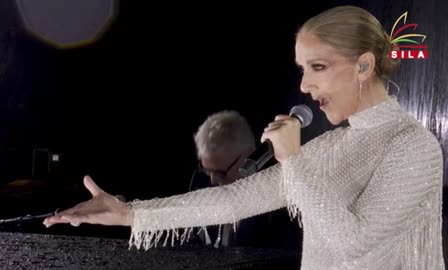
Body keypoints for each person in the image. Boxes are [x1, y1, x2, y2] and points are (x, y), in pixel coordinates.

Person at [43, 5, 445, 269]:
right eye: (301, 68)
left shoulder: (413, 147)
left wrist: (293, 160)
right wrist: (130, 214)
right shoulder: (329, 147)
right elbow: (235, 199)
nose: (304, 85)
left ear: (363, 65)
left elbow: (353, 242)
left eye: (318, 67)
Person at [188, 110, 302, 253]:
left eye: (221, 173)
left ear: (249, 156)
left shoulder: (280, 207)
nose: (213, 180)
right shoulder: (200, 183)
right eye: (206, 170)